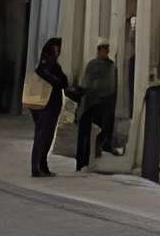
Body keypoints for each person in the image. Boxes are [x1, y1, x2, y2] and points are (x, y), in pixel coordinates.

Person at [24, 38, 73, 177]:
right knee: (42, 136)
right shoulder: (45, 65)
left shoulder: (53, 65)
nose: (58, 52)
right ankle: (37, 167)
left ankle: (42, 166)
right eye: (56, 49)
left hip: (50, 105)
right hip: (44, 106)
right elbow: (59, 82)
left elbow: (63, 81)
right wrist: (60, 80)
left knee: (46, 136)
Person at [73, 42, 119, 171]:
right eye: (104, 51)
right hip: (89, 103)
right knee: (84, 134)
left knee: (100, 132)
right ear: (99, 51)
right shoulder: (92, 64)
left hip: (103, 104)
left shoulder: (110, 66)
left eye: (107, 51)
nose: (105, 53)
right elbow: (86, 82)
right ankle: (81, 163)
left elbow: (110, 86)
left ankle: (92, 158)